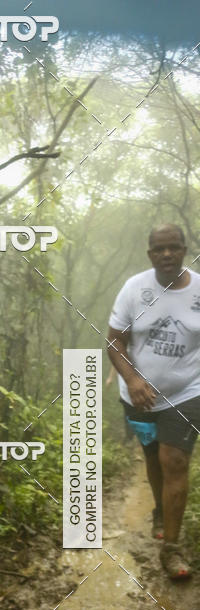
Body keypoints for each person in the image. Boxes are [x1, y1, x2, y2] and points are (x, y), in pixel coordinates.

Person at [107, 223, 200, 579]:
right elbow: (115, 341)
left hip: (189, 393)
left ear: (183, 249)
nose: (166, 254)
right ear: (150, 254)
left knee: (174, 459)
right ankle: (160, 508)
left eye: (173, 248)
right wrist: (132, 379)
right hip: (139, 396)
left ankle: (171, 549)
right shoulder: (135, 289)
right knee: (153, 459)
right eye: (159, 249)